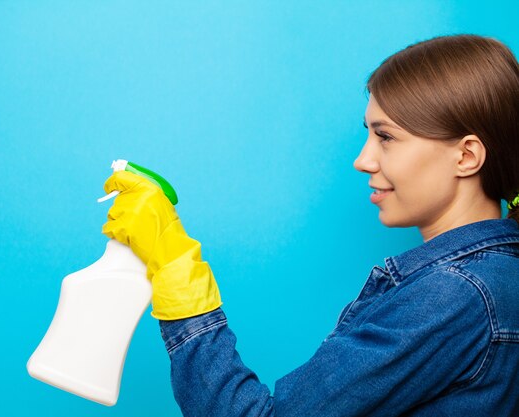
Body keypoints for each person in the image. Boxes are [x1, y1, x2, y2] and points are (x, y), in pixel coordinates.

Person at [102, 34, 519, 416]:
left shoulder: (452, 294)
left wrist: (177, 275)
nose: (363, 160)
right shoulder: (497, 279)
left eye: (386, 137)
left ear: (466, 157)